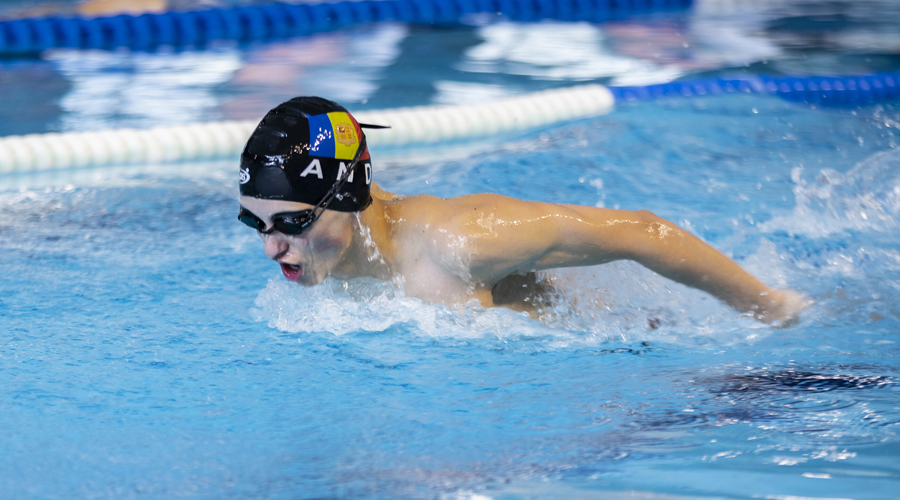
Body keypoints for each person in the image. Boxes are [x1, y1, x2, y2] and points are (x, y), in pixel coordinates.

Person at [238, 96, 808, 323]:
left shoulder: (462, 241)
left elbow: (643, 230)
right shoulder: (325, 263)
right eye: (257, 224)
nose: (271, 247)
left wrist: (765, 306)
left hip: (638, 345)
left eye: (291, 223)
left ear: (351, 198)